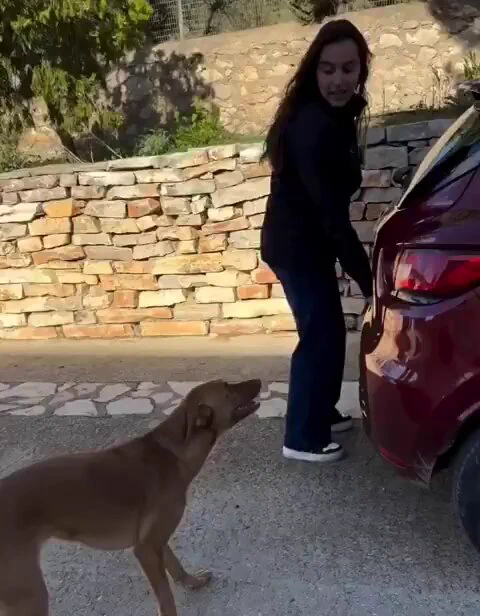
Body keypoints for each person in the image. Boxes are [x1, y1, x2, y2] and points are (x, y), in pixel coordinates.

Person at [261, 19, 373, 463]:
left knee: (328, 330)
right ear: (314, 70)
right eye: (328, 69)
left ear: (361, 69)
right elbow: (331, 216)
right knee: (319, 334)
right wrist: (369, 282)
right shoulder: (312, 125)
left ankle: (322, 412)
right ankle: (302, 437)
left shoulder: (336, 115)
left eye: (348, 68)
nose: (338, 80)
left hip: (309, 242)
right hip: (297, 248)